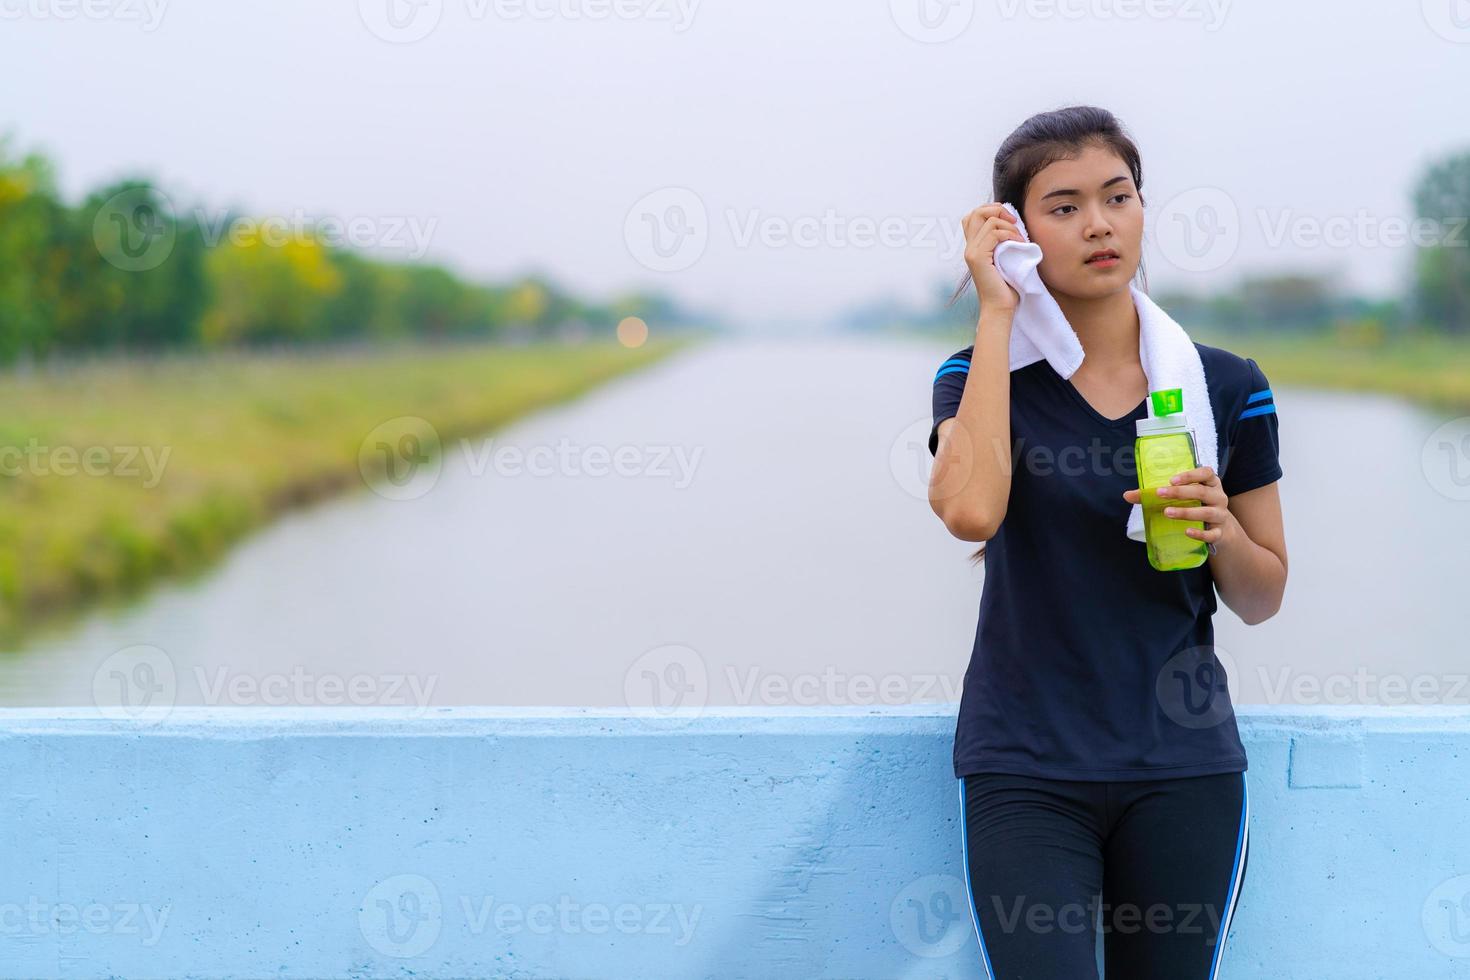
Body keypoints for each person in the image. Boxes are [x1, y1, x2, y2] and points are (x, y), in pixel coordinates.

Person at [928, 105, 1288, 979]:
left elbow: (1261, 595)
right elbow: (970, 513)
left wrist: (1221, 527)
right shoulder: (978, 380)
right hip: (1027, 764)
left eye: (1118, 196)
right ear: (1017, 232)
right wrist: (994, 313)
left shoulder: (1225, 386)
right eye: (1064, 206)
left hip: (1184, 763)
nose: (1098, 223)